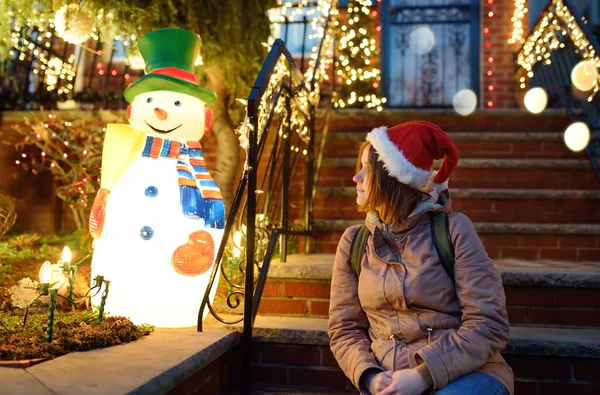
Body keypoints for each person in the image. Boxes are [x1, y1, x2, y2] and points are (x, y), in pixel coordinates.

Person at [328, 121, 513, 395]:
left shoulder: (454, 231)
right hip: (389, 383)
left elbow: (489, 324)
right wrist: (369, 376)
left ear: (394, 179)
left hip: (468, 376)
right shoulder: (354, 243)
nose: (356, 178)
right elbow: (344, 329)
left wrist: (423, 376)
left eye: (366, 170)